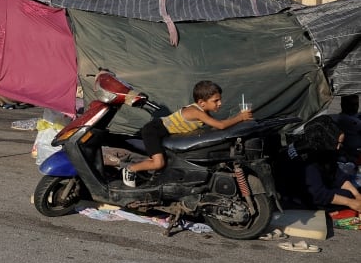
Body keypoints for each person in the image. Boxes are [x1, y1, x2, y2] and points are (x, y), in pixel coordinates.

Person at [121, 80, 254, 187]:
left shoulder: (203, 112)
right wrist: (240, 118)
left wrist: (238, 118)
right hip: (154, 131)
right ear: (201, 103)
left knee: (164, 161)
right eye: (216, 101)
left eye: (220, 100)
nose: (220, 103)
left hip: (165, 133)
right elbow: (220, 125)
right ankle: (130, 169)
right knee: (158, 163)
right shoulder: (196, 112)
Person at [274, 115, 361, 213]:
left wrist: (357, 195)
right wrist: (350, 202)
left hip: (313, 185)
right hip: (298, 197)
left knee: (352, 192)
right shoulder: (306, 160)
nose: (338, 147)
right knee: (347, 196)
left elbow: (336, 174)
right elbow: (318, 195)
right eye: (337, 143)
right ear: (326, 140)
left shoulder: (314, 143)